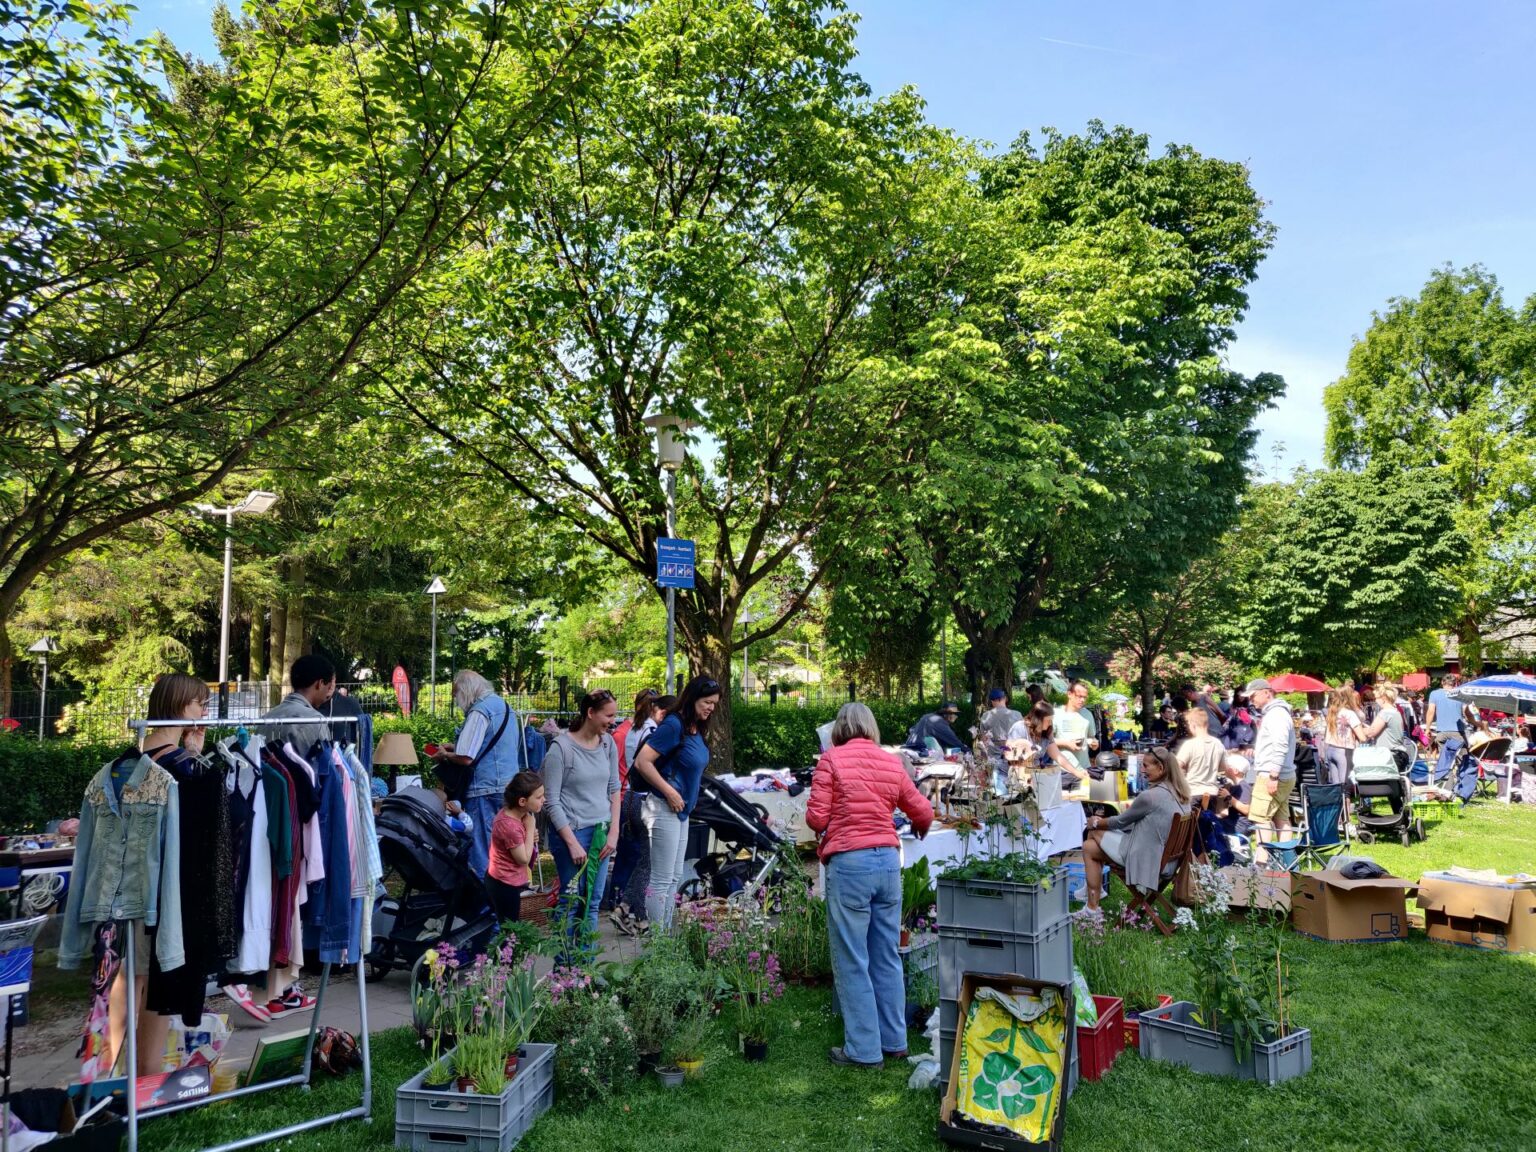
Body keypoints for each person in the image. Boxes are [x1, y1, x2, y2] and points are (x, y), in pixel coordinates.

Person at [804, 702, 934, 1069]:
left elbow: (816, 818)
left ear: (839, 729)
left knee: (852, 959)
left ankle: (863, 1049)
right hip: (887, 863)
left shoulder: (830, 760)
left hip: (850, 864)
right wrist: (921, 831)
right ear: (871, 727)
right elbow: (922, 810)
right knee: (887, 955)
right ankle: (894, 1040)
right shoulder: (892, 761)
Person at [632, 676, 722, 928]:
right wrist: (669, 791)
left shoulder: (695, 727)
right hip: (663, 807)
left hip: (682, 812)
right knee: (661, 879)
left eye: (714, 703)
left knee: (673, 877)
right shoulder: (673, 725)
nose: (711, 708)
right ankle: (659, 941)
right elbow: (643, 762)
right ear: (692, 698)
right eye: (707, 702)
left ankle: (667, 936)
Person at [543, 690, 622, 950]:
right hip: (573, 833)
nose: (613, 720)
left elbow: (614, 788)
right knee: (571, 899)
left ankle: (584, 969)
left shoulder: (608, 743)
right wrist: (572, 843)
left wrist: (613, 833)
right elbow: (551, 801)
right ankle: (563, 967)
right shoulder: (561, 749)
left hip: (601, 831)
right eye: (609, 715)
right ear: (590, 713)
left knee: (593, 901)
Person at [429, 671, 525, 879]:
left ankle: (481, 904)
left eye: (456, 695)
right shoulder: (504, 707)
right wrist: (455, 747)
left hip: (485, 789)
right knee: (506, 849)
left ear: (465, 691)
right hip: (510, 786)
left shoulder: (479, 712)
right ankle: (500, 904)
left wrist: (445, 754)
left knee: (481, 850)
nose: (456, 700)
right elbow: (490, 745)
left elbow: (466, 758)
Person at [1081, 746, 1192, 910]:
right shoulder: (1181, 794)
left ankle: (1092, 900)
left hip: (1148, 860)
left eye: (1146, 766)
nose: (1142, 770)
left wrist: (1096, 821)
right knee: (1089, 847)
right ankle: (1093, 897)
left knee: (1093, 833)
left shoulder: (1150, 796)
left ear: (1160, 768)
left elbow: (1120, 822)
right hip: (1168, 861)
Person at [607, 689, 666, 932]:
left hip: (630, 795)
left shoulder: (630, 730)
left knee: (639, 859)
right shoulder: (651, 732)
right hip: (645, 799)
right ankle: (629, 910)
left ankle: (630, 910)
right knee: (646, 863)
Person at [1246, 678, 1296, 865]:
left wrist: (1273, 775)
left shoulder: (1276, 715)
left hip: (1272, 775)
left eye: (1253, 696)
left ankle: (1261, 866)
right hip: (1282, 774)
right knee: (1281, 819)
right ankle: (1289, 864)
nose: (1251, 700)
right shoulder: (1278, 713)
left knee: (1262, 820)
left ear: (1267, 692)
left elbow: (1280, 746)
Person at [486, 772, 544, 923]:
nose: (544, 800)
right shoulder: (509, 825)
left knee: (510, 924)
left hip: (508, 880)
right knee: (510, 928)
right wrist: (530, 829)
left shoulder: (518, 816)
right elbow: (523, 859)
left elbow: (523, 843)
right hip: (503, 884)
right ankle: (506, 947)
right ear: (522, 801)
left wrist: (529, 837)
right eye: (539, 797)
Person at [263, 653, 337, 751]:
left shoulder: (266, 718)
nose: (328, 693)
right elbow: (324, 764)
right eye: (328, 687)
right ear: (320, 684)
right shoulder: (315, 721)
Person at [1175, 706, 1226, 804]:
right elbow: (1223, 768)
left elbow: (1177, 766)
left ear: (1192, 725)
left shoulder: (1190, 744)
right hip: (1212, 793)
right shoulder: (1218, 744)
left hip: (1193, 792)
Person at [979, 688, 1024, 794]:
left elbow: (984, 740)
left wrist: (983, 760)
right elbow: (1023, 737)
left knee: (999, 789)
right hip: (1014, 755)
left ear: (992, 701)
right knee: (1016, 787)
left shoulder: (986, 716)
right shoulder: (1017, 714)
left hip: (994, 754)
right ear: (1005, 699)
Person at [1362, 682, 1414, 772]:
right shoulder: (1396, 712)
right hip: (1399, 754)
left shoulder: (1385, 713)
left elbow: (1371, 733)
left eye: (1376, 698)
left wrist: (1357, 728)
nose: (1375, 701)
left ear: (1383, 698)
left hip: (1389, 756)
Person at [1321, 686, 1365, 787]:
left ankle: (1338, 803)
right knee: (1345, 787)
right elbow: (1362, 737)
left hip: (1331, 750)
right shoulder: (1350, 714)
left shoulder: (1332, 712)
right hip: (1344, 751)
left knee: (1336, 787)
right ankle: (1346, 803)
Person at [1053, 680, 1098, 776]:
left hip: (1084, 769)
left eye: (1085, 697)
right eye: (1079, 696)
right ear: (1069, 694)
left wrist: (1094, 743)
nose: (1082, 700)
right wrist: (1066, 744)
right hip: (1061, 770)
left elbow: (1091, 737)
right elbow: (1047, 741)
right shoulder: (1056, 714)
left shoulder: (1087, 714)